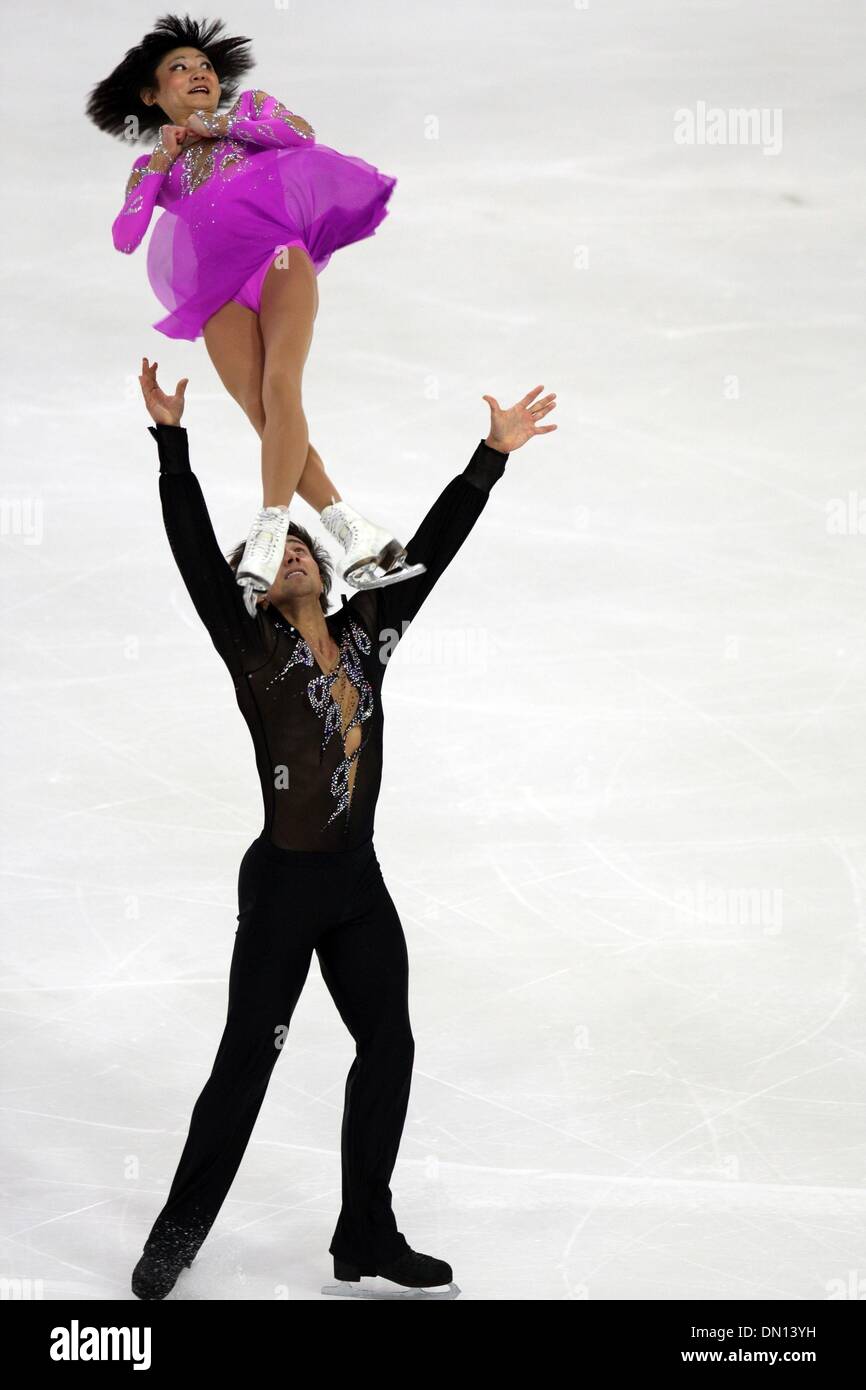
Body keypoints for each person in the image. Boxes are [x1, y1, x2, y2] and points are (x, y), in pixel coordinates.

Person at [130, 357, 557, 1298]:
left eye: (300, 545)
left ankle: (366, 1233)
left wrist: (489, 455)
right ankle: (175, 1239)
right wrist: (172, 442)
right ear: (257, 581)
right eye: (272, 545)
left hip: (357, 888)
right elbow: (193, 548)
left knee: (390, 1047)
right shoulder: (249, 647)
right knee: (246, 1063)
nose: (286, 550)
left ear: (325, 569)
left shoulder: (372, 630)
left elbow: (434, 548)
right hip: (283, 887)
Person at [86, 14, 420, 612]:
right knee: (265, 415)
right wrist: (161, 159)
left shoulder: (249, 114)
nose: (198, 74)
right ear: (150, 94)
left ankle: (271, 527)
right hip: (218, 294)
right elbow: (126, 234)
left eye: (206, 67)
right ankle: (353, 533)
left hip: (280, 262)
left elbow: (299, 133)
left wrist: (214, 124)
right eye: (179, 68)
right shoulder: (154, 167)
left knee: (281, 384)